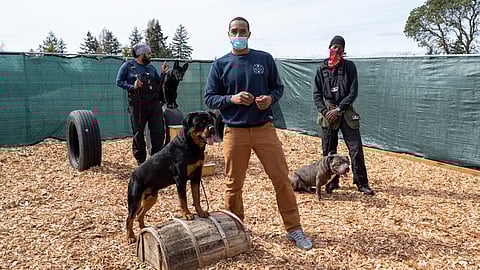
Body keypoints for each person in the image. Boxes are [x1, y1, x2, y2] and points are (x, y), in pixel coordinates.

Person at [204, 17, 313, 250]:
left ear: (249, 33)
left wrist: (270, 99)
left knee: (282, 180)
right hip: (234, 131)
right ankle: (235, 231)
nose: (238, 35)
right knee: (233, 185)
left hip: (264, 129)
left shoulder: (264, 59)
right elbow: (209, 97)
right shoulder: (220, 64)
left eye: (242, 31)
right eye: (235, 31)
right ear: (228, 34)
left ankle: (294, 229)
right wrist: (231, 99)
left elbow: (278, 87)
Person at [312, 35, 375, 195]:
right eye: (334, 47)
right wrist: (326, 112)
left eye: (340, 48)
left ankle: (361, 183)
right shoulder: (321, 69)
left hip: (345, 112)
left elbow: (353, 92)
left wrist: (339, 109)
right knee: (328, 151)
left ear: (344, 51)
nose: (336, 50)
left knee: (355, 149)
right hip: (328, 114)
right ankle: (331, 182)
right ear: (329, 48)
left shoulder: (349, 67)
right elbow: (316, 95)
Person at [116, 43, 169, 165]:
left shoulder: (150, 68)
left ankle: (156, 160)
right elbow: (118, 82)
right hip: (137, 104)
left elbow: (158, 84)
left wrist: (163, 74)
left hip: (154, 103)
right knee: (138, 132)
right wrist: (132, 86)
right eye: (148, 53)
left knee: (158, 131)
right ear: (141, 54)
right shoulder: (127, 66)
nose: (151, 56)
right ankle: (141, 161)